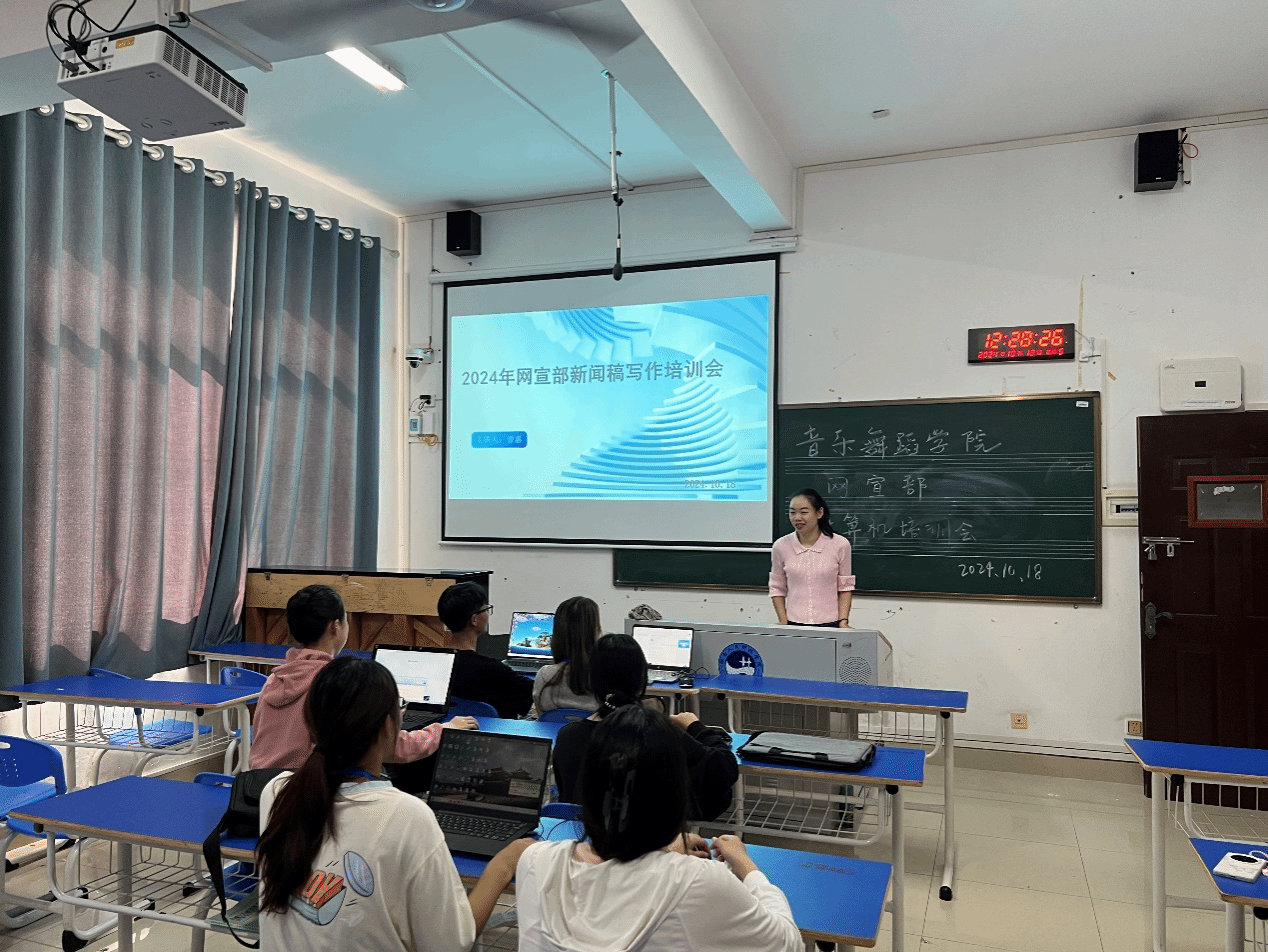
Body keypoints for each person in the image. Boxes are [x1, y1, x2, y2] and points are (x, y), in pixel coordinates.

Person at [257, 656, 532, 951]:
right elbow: (452, 943)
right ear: (391, 726)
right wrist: (504, 864)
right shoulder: (407, 816)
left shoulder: (277, 792)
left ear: (310, 724)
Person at [515, 703, 801, 952]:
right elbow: (787, 943)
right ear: (676, 793)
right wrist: (747, 866)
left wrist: (665, 853)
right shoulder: (699, 883)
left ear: (587, 787)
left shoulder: (535, 862)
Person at [249, 584, 477, 770]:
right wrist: (444, 730)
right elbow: (388, 747)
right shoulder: (337, 683)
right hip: (305, 793)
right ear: (335, 627)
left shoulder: (275, 679)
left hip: (258, 791)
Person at [551, 633, 737, 821]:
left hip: (580, 834)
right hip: (642, 837)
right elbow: (725, 769)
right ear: (642, 680)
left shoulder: (567, 736)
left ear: (592, 681)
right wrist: (695, 726)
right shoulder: (657, 731)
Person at [436, 581, 533, 719]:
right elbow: (534, 692)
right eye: (486, 610)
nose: (488, 615)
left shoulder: (435, 664)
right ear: (474, 620)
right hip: (493, 731)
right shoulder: (494, 670)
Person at [769, 487, 856, 628]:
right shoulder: (781, 546)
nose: (797, 518)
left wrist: (843, 622)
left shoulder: (840, 544)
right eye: (792, 512)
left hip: (830, 624)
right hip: (793, 623)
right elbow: (776, 587)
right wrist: (783, 621)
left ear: (819, 513)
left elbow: (845, 588)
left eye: (804, 512)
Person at [532, 595, 601, 715]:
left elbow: (540, 713)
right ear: (595, 630)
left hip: (552, 728)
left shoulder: (544, 675)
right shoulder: (605, 676)